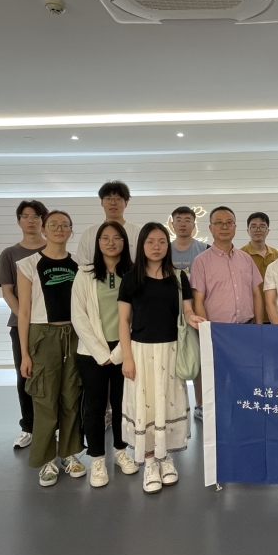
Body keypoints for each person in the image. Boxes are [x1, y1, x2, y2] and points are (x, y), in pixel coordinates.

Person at [118, 223, 205, 493]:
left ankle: (165, 457)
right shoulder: (131, 278)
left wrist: (193, 317)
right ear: (142, 245)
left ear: (168, 246)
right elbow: (123, 321)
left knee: (168, 404)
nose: (157, 247)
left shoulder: (179, 277)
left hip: (171, 351)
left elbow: (186, 310)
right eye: (151, 242)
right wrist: (127, 358)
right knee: (145, 407)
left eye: (162, 242)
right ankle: (149, 462)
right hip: (141, 351)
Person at [17, 210, 85, 487]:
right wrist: (24, 354)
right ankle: (46, 460)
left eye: (65, 225)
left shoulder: (80, 264)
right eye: (53, 224)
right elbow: (23, 312)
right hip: (42, 336)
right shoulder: (28, 264)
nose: (59, 228)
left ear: (71, 230)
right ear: (44, 229)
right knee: (44, 398)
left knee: (71, 396)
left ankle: (69, 454)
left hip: (75, 335)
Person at [71, 221, 138, 487]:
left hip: (126, 350)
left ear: (125, 242)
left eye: (117, 238)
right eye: (105, 238)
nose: (111, 243)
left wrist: (119, 352)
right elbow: (78, 317)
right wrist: (102, 353)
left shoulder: (134, 273)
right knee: (95, 406)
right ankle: (97, 459)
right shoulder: (84, 274)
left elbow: (137, 315)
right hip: (91, 353)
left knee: (123, 404)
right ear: (97, 243)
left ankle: (121, 451)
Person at [0, 200, 48, 450]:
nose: (31, 220)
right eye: (25, 216)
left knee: (54, 378)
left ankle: (54, 427)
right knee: (25, 375)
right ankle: (28, 427)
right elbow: (7, 292)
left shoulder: (54, 250)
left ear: (43, 221)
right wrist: (27, 319)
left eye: (36, 216)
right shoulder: (9, 254)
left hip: (53, 326)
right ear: (18, 221)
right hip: (21, 326)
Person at [190, 206, 264, 326]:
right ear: (210, 228)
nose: (224, 227)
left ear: (235, 227)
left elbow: (256, 295)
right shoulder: (201, 261)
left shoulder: (246, 258)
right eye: (219, 223)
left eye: (229, 223)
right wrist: (206, 331)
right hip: (217, 329)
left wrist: (259, 328)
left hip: (247, 326)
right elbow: (198, 301)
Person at [169, 206, 210, 420]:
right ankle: (174, 408)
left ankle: (200, 404)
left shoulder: (204, 249)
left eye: (187, 220)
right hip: (169, 314)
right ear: (172, 224)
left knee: (197, 360)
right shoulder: (164, 249)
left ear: (194, 225)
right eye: (179, 220)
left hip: (196, 313)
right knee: (171, 361)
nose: (183, 223)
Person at [76, 181, 141, 265]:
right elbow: (81, 264)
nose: (113, 203)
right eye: (108, 199)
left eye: (118, 199)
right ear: (102, 202)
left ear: (126, 203)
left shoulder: (138, 232)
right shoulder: (89, 232)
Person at [240, 212, 278, 323]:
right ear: (248, 230)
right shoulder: (241, 254)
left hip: (274, 314)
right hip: (250, 316)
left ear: (268, 230)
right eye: (253, 226)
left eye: (262, 226)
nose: (258, 230)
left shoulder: (275, 254)